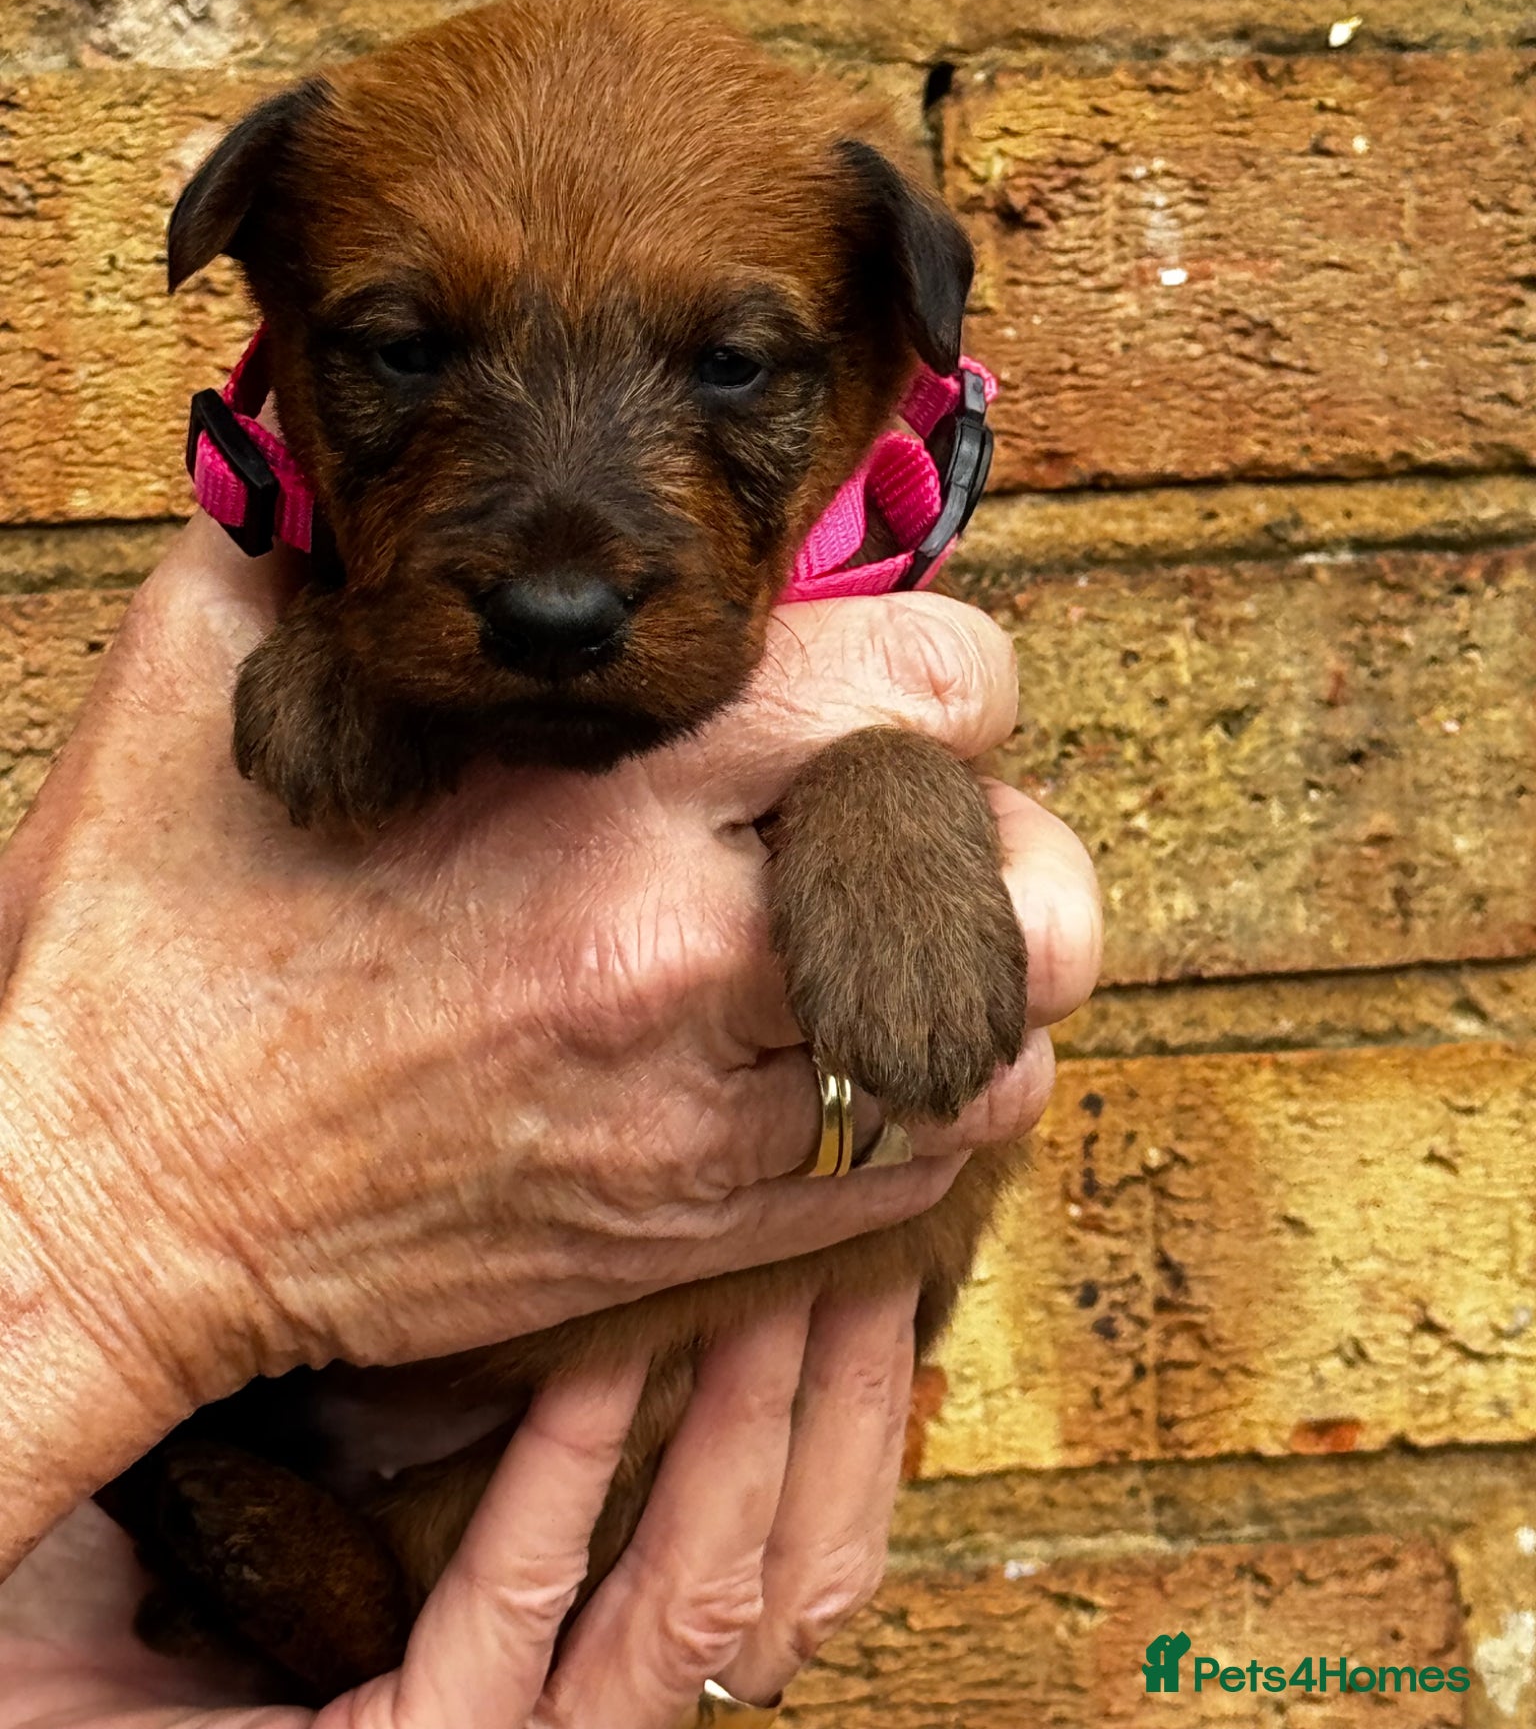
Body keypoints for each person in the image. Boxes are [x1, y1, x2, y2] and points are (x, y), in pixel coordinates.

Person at [0, 516, 1101, 1729]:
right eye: (410, 353)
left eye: (733, 370)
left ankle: (390, 1577)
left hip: (488, 1495)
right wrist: (94, 1258)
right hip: (223, 1448)